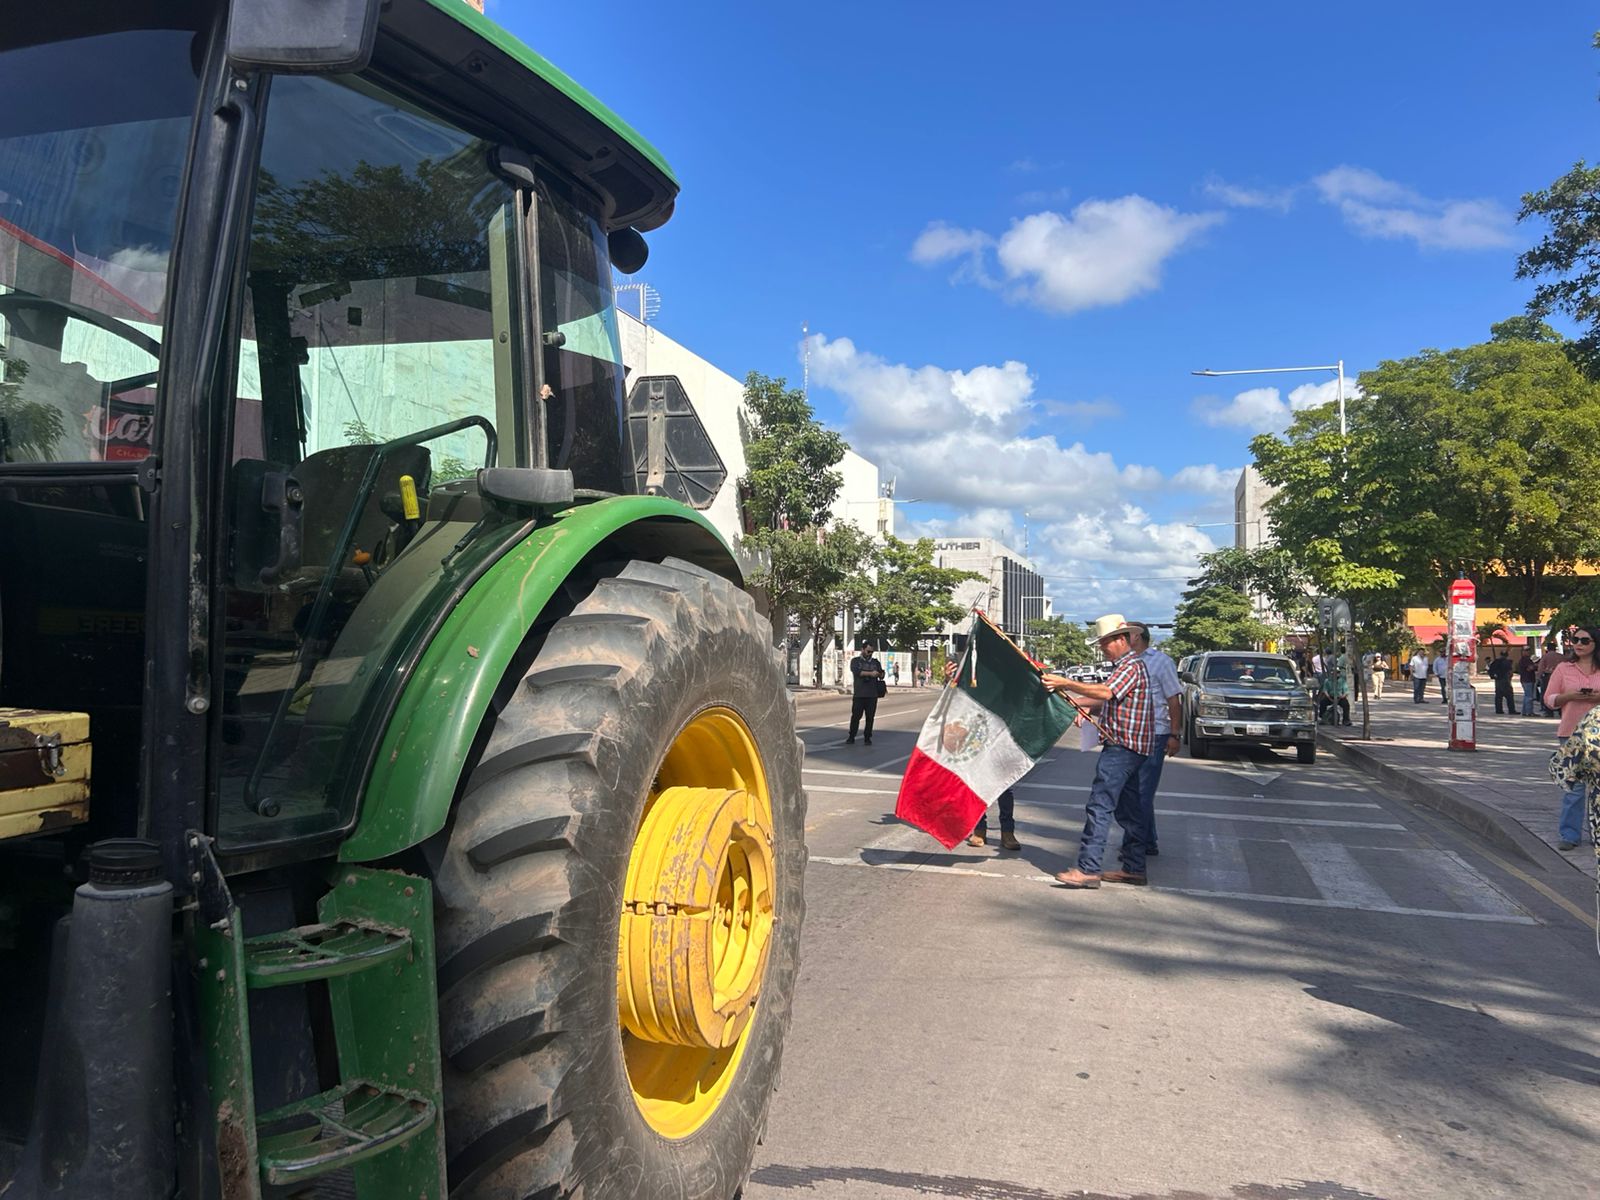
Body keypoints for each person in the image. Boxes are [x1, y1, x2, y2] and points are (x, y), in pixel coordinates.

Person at [1040, 614, 1155, 889]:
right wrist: (1084, 705)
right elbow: (1112, 700)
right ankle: (1134, 867)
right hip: (1133, 747)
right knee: (1130, 811)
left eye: (1105, 642)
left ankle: (1089, 869)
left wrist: (1066, 683)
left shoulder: (1129, 666)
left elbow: (1106, 692)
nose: (1102, 647)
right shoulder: (1130, 666)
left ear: (1120, 640)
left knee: (1100, 806)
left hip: (1123, 747)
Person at [1543, 625, 1600, 849]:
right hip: (1571, 733)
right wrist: (1569, 696)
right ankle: (1569, 835)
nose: (1579, 644)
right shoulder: (1564, 668)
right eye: (1575, 640)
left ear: (1595, 643)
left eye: (1585, 641)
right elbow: (1549, 698)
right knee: (1573, 787)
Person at [1128, 622, 1181, 858]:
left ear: (1137, 636)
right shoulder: (1125, 662)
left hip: (1155, 734)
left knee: (1142, 792)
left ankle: (1136, 847)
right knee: (1133, 792)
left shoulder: (1161, 662)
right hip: (1130, 735)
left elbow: (1173, 700)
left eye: (1125, 633)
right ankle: (1147, 840)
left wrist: (1174, 734)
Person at [846, 641, 883, 745]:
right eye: (868, 651)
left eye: (872, 652)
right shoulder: (856, 661)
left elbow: (881, 673)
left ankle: (867, 737)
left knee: (870, 717)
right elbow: (857, 672)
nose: (870, 653)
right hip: (859, 694)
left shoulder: (875, 662)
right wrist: (871, 673)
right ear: (862, 650)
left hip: (872, 694)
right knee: (856, 717)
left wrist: (880, 674)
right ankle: (851, 736)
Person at [1487, 649, 1517, 715]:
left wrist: (1494, 677)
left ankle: (1499, 710)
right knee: (1509, 696)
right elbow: (1510, 672)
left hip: (1498, 681)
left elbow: (1490, 671)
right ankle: (1511, 710)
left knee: (1498, 696)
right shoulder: (1507, 662)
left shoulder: (1495, 662)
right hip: (1505, 681)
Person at [1517, 645, 1538, 716]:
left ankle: (1524, 711)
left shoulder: (1528, 659)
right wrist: (1536, 666)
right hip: (1527, 680)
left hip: (1528, 679)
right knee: (1529, 697)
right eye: (1526, 650)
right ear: (1522, 652)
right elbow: (1529, 668)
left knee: (1527, 696)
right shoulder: (1524, 660)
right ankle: (1529, 712)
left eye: (1528, 650)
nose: (1528, 652)